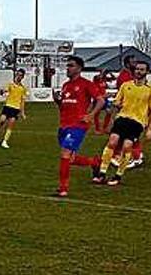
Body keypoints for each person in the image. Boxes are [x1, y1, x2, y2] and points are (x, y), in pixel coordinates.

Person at [94, 61, 151, 186]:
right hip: (122, 118)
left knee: (127, 146)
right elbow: (117, 103)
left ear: (147, 72)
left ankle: (118, 176)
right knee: (112, 141)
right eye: (137, 69)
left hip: (138, 122)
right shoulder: (125, 85)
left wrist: (150, 129)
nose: (139, 71)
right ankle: (102, 174)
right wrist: (112, 115)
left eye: (142, 69)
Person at [53, 56, 105, 197]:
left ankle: (63, 188)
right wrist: (57, 101)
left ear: (79, 68)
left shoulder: (86, 84)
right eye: (67, 66)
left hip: (78, 125)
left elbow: (100, 100)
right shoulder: (65, 85)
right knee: (70, 158)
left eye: (71, 66)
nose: (67, 68)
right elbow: (63, 106)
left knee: (65, 154)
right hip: (63, 125)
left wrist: (91, 115)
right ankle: (94, 162)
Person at [0, 68, 28, 149]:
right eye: (18, 75)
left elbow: (22, 101)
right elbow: (4, 91)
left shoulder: (23, 88)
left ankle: (5, 141)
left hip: (16, 108)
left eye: (21, 75)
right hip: (8, 106)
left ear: (23, 77)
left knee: (11, 124)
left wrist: (22, 112)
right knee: (2, 120)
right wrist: (2, 91)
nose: (19, 77)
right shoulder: (10, 84)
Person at [92, 69, 114, 134]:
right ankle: (97, 129)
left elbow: (113, 78)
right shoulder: (95, 82)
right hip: (98, 100)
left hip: (105, 99)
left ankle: (105, 128)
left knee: (109, 112)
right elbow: (97, 95)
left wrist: (110, 72)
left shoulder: (104, 80)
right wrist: (106, 95)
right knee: (96, 114)